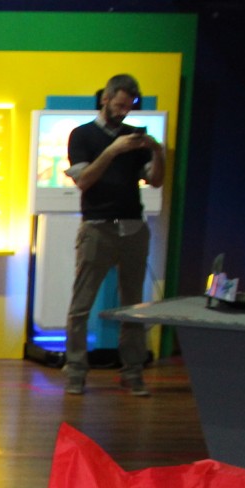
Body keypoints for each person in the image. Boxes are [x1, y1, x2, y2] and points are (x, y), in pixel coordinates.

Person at [63, 73, 166, 397]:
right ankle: (76, 372)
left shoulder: (133, 137)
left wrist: (157, 151)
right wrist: (112, 150)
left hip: (133, 228)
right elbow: (84, 181)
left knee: (133, 305)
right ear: (105, 99)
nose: (124, 112)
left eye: (129, 107)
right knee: (81, 304)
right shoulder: (82, 135)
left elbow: (156, 180)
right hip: (97, 228)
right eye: (119, 105)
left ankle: (132, 372)